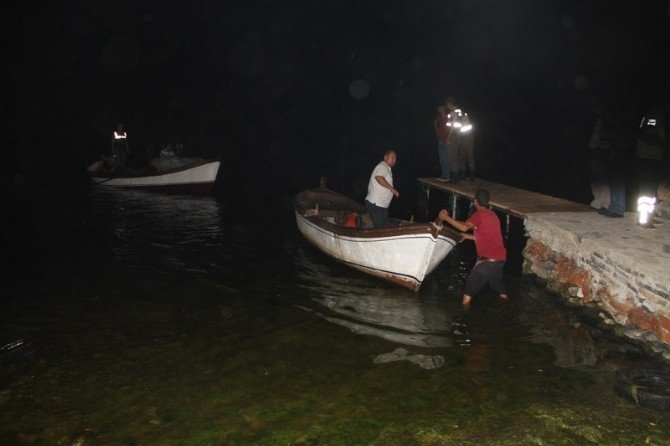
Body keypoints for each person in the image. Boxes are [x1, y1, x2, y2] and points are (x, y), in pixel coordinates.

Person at [438, 189, 507, 305]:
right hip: (500, 260)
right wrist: (467, 237)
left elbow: (464, 226)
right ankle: (506, 304)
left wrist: (446, 218)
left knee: (468, 290)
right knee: (497, 286)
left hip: (486, 262)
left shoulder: (478, 215)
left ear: (475, 201)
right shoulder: (493, 215)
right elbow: (488, 237)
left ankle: (464, 313)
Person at [634, 105, 667, 199]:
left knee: (650, 186)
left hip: (651, 157)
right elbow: (646, 134)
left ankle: (650, 209)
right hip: (647, 156)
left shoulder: (657, 116)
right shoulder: (651, 116)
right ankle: (648, 209)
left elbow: (648, 135)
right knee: (647, 186)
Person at [365, 150, 399, 229]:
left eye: (395, 159)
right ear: (385, 157)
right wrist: (392, 189)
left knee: (383, 229)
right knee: (380, 231)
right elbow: (379, 177)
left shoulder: (386, 169)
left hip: (381, 206)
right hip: (376, 204)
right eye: (392, 157)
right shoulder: (382, 166)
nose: (394, 160)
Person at [445, 98, 475, 182]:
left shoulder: (455, 113)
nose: (447, 106)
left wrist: (449, 137)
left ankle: (471, 174)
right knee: (461, 156)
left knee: (468, 155)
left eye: (448, 104)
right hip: (462, 136)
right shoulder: (461, 113)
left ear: (451, 104)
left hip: (466, 137)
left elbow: (453, 126)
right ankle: (463, 174)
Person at [433, 105, 451, 181]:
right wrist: (437, 130)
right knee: (441, 159)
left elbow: (451, 128)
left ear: (443, 108)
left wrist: (449, 138)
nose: (438, 108)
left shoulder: (448, 117)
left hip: (446, 139)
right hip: (440, 139)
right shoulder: (439, 117)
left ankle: (448, 175)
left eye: (440, 107)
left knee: (446, 158)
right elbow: (434, 122)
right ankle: (443, 175)